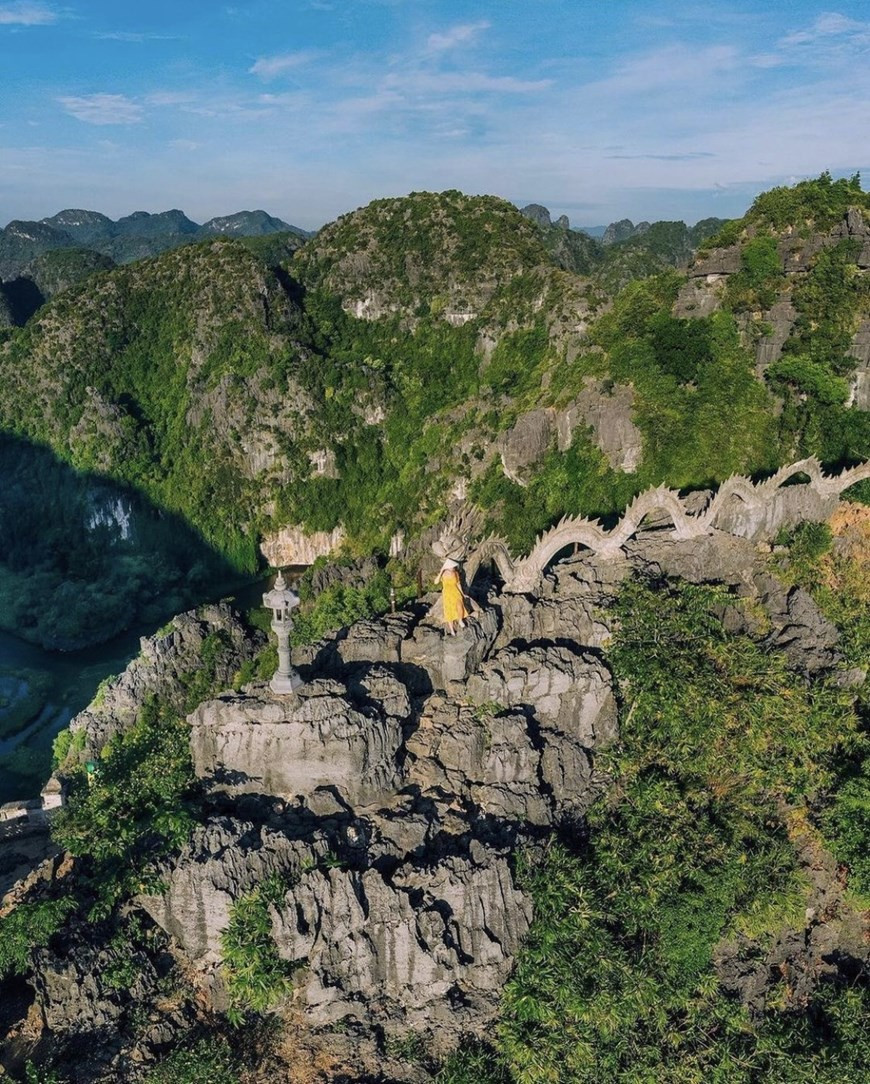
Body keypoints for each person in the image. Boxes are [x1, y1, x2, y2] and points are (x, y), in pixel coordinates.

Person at [435, 558, 470, 635]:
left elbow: (458, 584)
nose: (453, 567)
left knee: (460, 605)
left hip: (456, 592)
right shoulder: (443, 573)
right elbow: (436, 582)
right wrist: (441, 571)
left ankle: (460, 620)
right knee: (449, 610)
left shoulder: (455, 573)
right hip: (447, 593)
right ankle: (452, 630)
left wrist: (462, 593)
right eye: (452, 566)